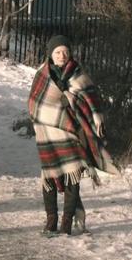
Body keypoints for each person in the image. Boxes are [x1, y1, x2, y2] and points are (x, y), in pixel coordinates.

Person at [27, 35, 119, 236]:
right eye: (58, 52)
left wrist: (93, 113)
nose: (62, 55)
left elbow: (91, 97)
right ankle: (51, 219)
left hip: (72, 131)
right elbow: (34, 105)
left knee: (72, 175)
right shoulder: (42, 75)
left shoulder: (78, 73)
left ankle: (67, 220)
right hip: (48, 132)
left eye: (65, 52)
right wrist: (63, 97)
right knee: (50, 176)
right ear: (51, 54)